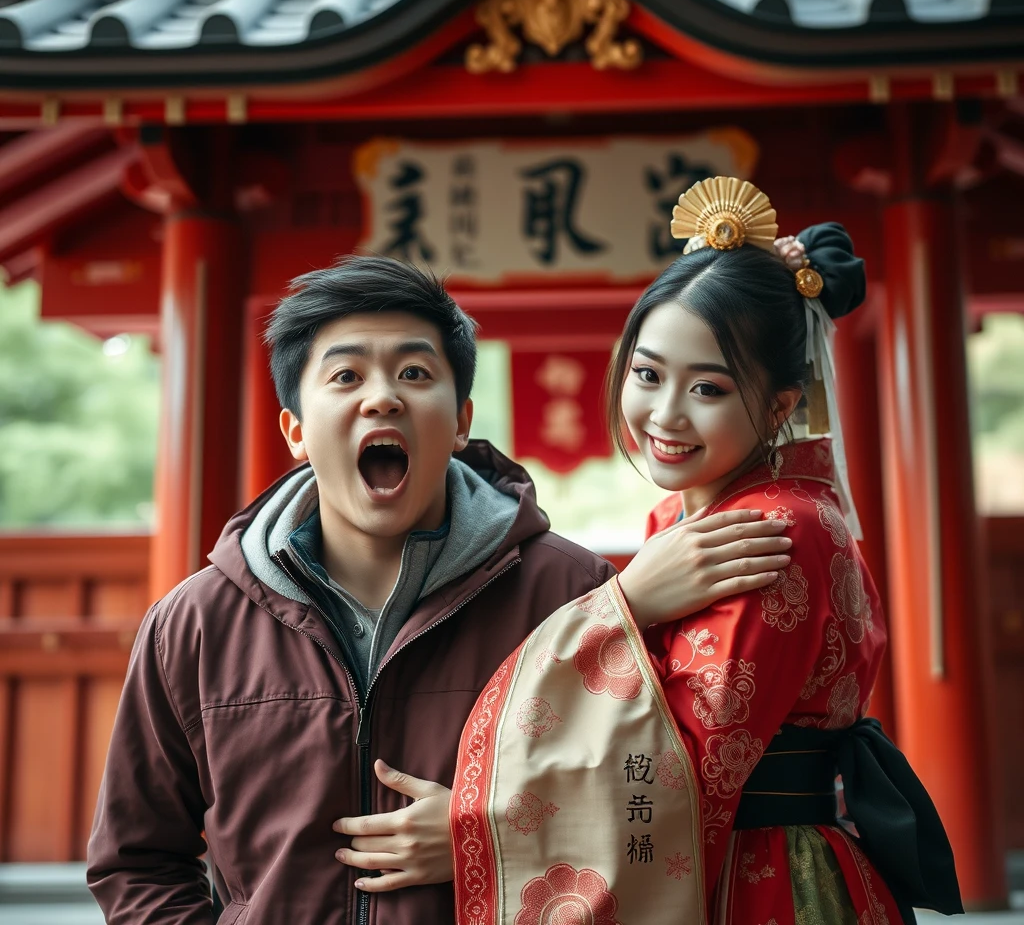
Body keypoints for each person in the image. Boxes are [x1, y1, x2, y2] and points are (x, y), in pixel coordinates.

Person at [86, 254, 793, 925]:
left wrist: (484, 834)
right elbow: (136, 860)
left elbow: (646, 807)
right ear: (296, 431)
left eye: (415, 372)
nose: (382, 397)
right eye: (345, 378)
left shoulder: (575, 595)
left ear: (460, 422)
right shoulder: (195, 623)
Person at [365, 180, 961, 924]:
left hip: (756, 883)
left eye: (708, 388)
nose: (664, 414)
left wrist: (477, 825)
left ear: (780, 405)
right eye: (647, 374)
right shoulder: (692, 515)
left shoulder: (773, 533)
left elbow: (685, 774)